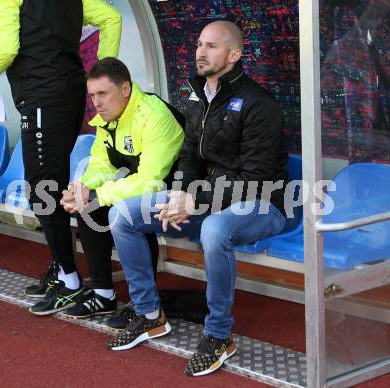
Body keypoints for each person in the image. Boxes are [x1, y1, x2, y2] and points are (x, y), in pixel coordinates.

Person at [106, 20, 288, 377]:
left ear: (235, 54)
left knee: (216, 231)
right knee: (123, 215)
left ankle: (219, 335)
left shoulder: (259, 104)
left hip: (263, 204)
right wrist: (179, 193)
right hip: (210, 199)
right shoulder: (197, 95)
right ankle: (149, 314)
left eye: (212, 46)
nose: (200, 52)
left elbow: (256, 181)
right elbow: (190, 155)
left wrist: (196, 198)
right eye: (199, 44)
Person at [0, 0, 122, 313]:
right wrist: (100, 71)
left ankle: (70, 282)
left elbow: (6, 48)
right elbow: (112, 17)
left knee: (41, 189)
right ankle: (61, 268)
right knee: (52, 183)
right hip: (70, 92)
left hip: (41, 96)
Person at [54, 57, 184, 318]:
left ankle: (145, 302)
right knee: (88, 207)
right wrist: (82, 188)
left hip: (180, 192)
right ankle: (104, 295)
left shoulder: (153, 115)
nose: (96, 103)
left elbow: (151, 180)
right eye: (92, 95)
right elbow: (102, 162)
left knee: (129, 212)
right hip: (139, 186)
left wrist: (98, 195)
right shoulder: (107, 116)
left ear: (125, 89)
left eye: (103, 93)